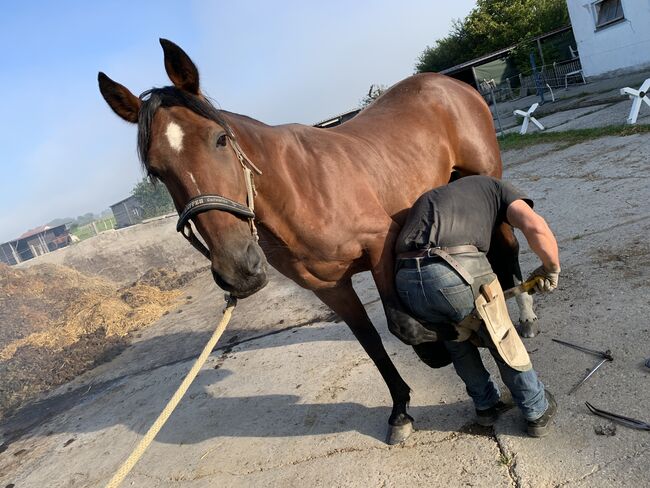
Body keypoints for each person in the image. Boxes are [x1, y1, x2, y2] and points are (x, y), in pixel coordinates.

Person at [394, 175, 560, 437]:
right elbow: (535, 226)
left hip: (405, 279)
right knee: (500, 335)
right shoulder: (497, 188)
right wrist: (551, 269)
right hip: (454, 266)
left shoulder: (434, 198)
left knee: (457, 341)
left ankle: (486, 406)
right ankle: (535, 407)